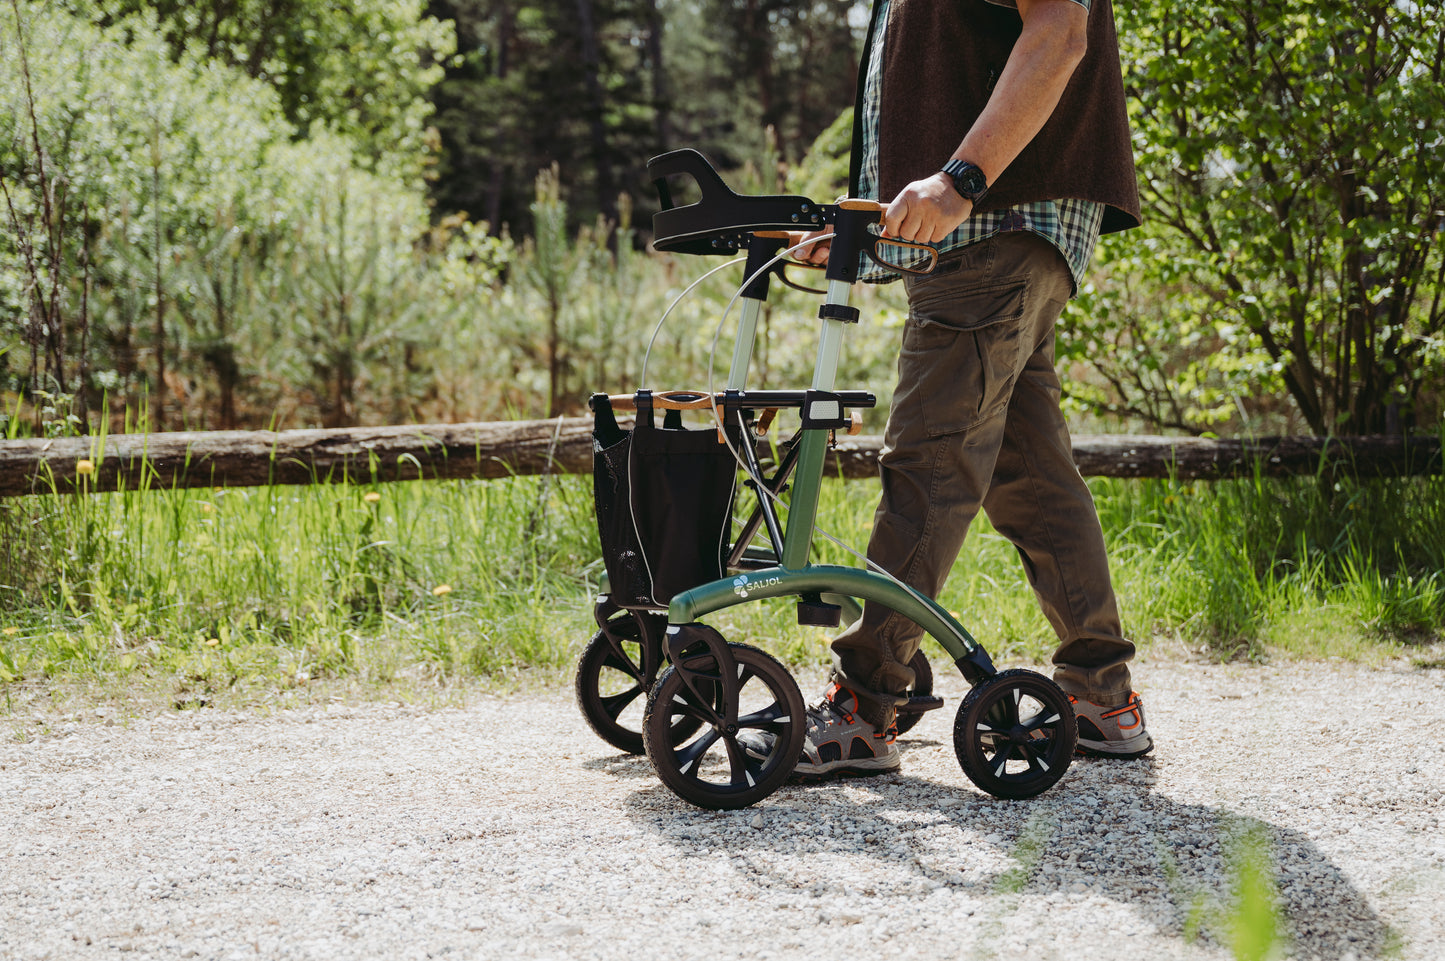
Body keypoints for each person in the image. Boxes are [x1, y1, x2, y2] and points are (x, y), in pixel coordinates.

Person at [779, 0, 1152, 778]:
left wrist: (960, 180)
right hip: (1005, 226)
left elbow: (1058, 31)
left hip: (997, 220)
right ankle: (1099, 695)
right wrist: (866, 230)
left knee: (930, 460)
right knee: (1028, 469)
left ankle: (864, 704)